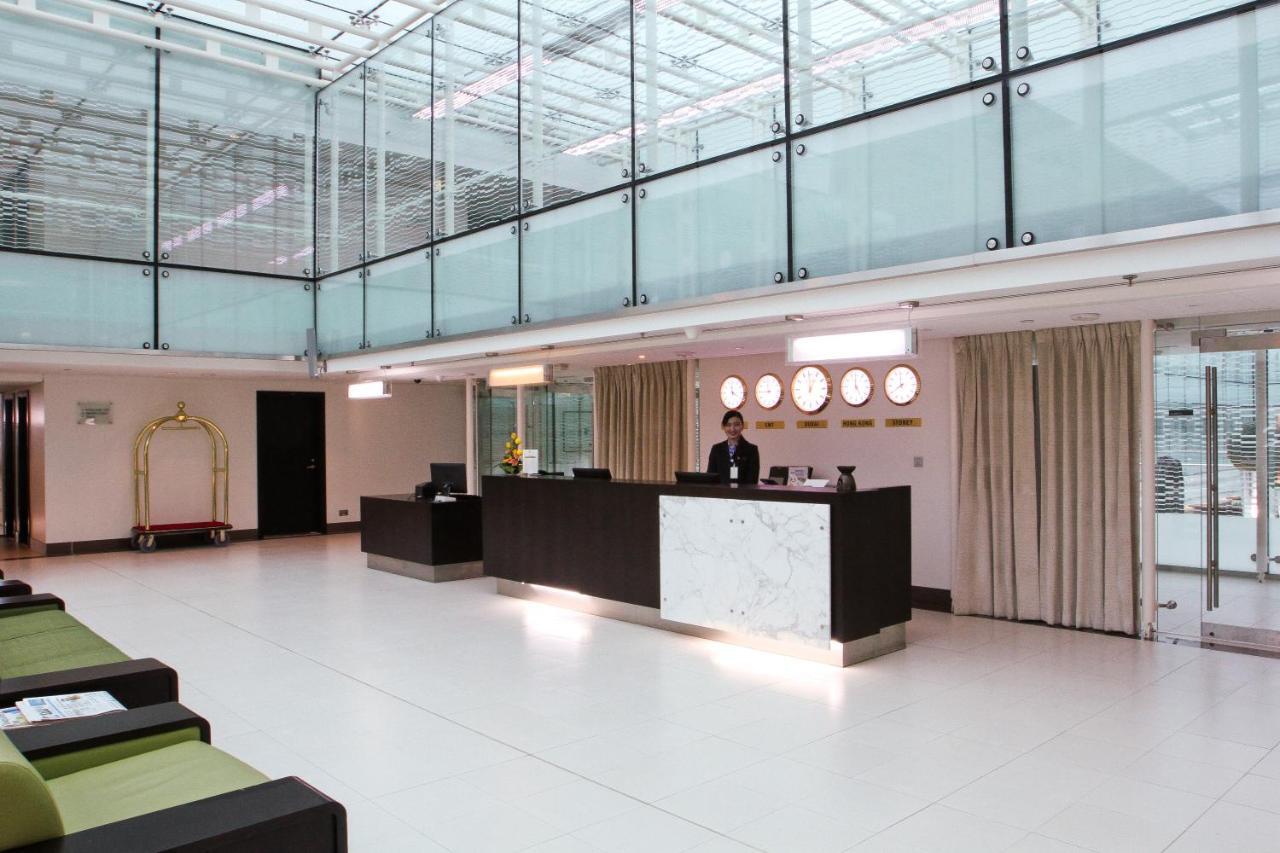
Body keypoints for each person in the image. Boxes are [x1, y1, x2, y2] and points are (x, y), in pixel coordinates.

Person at [706, 410, 760, 485]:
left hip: (743, 495)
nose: (732, 429)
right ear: (723, 427)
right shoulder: (716, 449)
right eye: (728, 425)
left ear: (742, 426)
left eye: (736, 425)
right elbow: (710, 478)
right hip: (720, 495)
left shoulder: (751, 450)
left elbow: (752, 481)